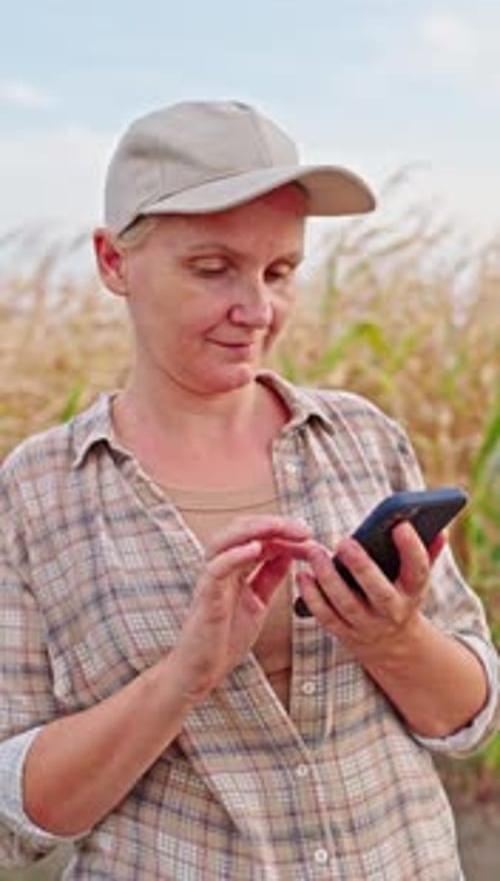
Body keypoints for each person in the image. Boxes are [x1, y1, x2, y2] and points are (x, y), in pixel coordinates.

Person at [0, 99, 498, 880]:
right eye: (211, 269)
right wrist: (186, 673)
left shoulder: (363, 437)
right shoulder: (34, 493)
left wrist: (394, 639)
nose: (257, 310)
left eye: (280, 271)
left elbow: (468, 719)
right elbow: (16, 819)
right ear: (112, 262)